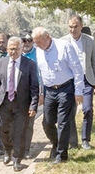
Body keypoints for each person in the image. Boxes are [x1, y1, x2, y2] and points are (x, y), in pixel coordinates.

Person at [32, 26, 84, 164]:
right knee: (47, 122)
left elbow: (77, 69)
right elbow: (41, 74)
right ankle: (56, 143)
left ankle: (61, 155)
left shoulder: (64, 46)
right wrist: (41, 93)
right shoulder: (38, 51)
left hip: (65, 89)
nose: (37, 45)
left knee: (63, 122)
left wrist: (79, 91)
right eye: (35, 42)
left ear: (47, 37)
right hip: (49, 90)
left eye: (39, 42)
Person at [0, 37, 39, 171]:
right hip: (4, 101)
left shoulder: (29, 64)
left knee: (20, 132)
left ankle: (17, 159)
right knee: (1, 127)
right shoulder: (1, 63)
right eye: (11, 49)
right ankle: (7, 149)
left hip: (21, 102)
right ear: (7, 49)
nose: (13, 52)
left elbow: (35, 87)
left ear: (21, 49)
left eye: (16, 49)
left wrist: (33, 105)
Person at [62, 15, 95, 150]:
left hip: (86, 79)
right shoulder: (63, 41)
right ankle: (73, 142)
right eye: (70, 27)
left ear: (81, 27)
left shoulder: (90, 40)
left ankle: (85, 140)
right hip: (69, 80)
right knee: (69, 111)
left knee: (87, 109)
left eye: (75, 27)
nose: (72, 30)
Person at [21, 32, 37, 158]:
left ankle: (26, 149)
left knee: (29, 123)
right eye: (24, 40)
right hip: (16, 95)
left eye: (29, 40)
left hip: (32, 93)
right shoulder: (15, 53)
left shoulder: (39, 54)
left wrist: (41, 94)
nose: (26, 43)